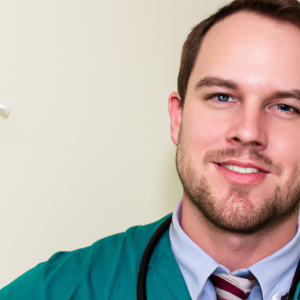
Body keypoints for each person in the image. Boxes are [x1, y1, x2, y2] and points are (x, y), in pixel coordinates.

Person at [2, 0, 300, 299]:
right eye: (221, 96)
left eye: (286, 107)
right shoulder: (57, 291)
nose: (248, 132)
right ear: (177, 117)